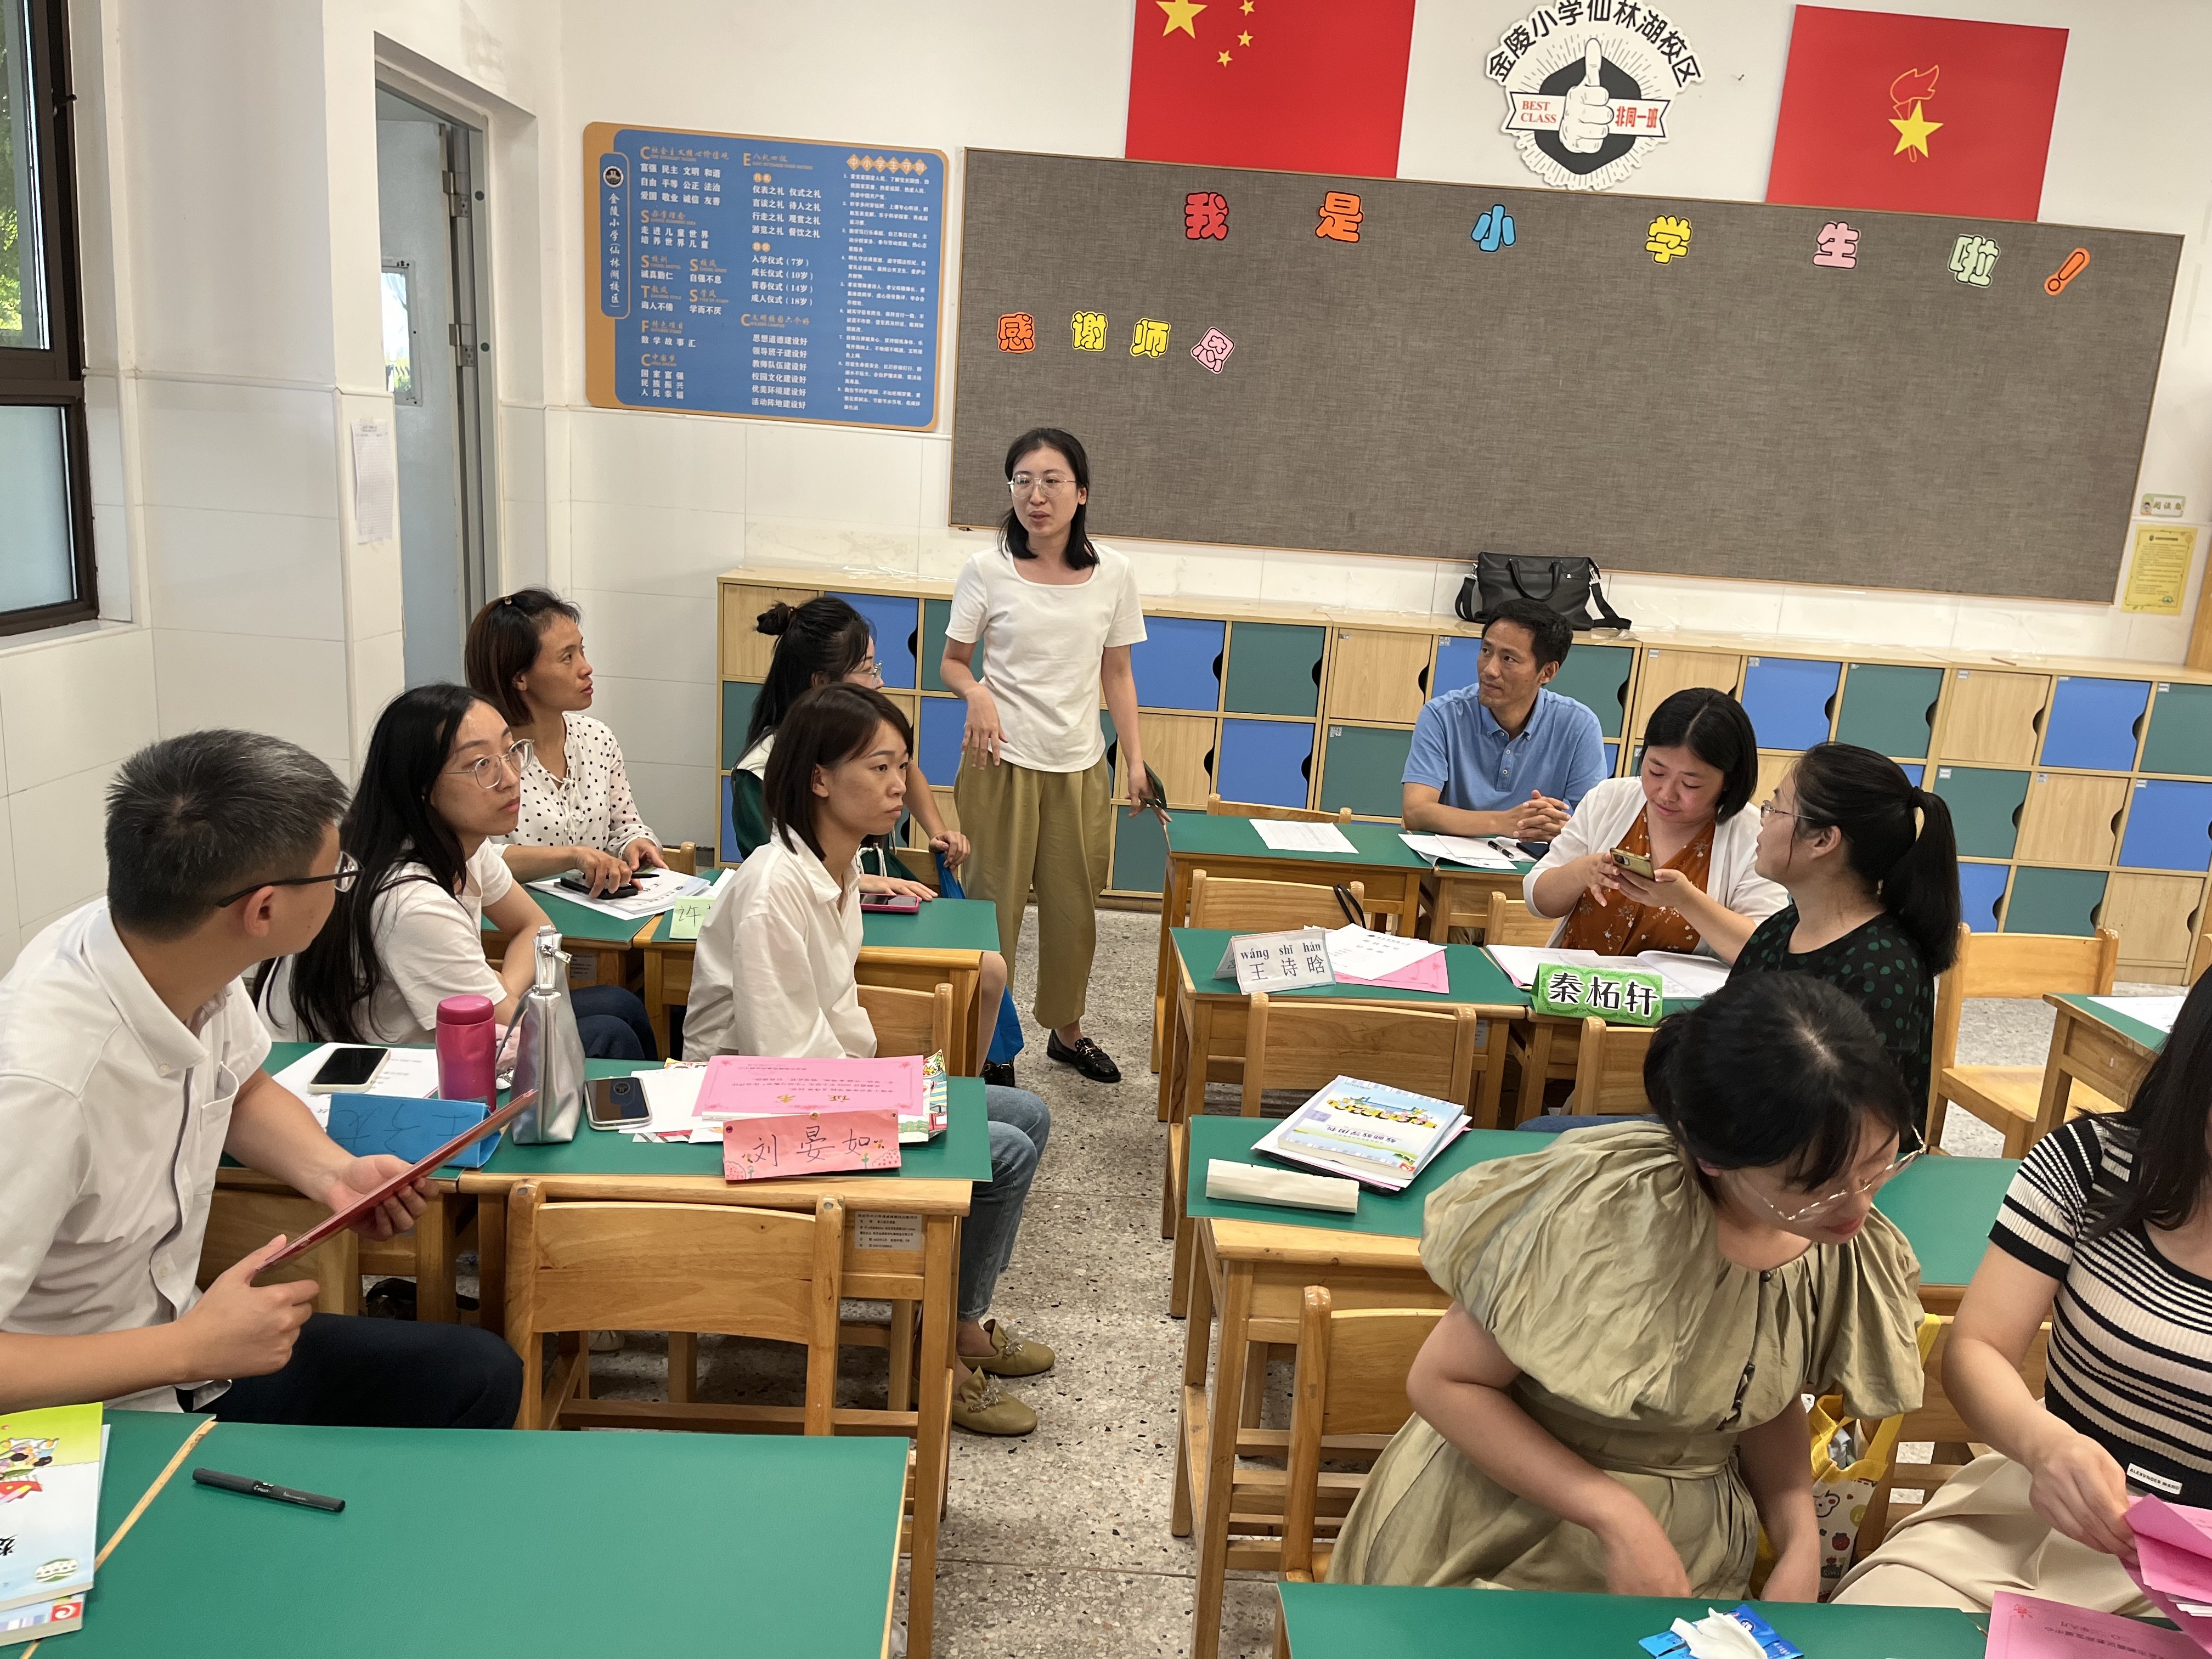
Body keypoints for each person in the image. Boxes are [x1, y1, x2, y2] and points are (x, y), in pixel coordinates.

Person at [1329, 974, 1926, 1598]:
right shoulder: (1606, 1212)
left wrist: (1799, 1538)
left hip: (1693, 1548)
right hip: (1511, 1526)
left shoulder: (1827, 1236)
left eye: (1878, 1165)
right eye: (1815, 1186)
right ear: (1712, 1156)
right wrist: (1614, 1514)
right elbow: (1444, 1383)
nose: (1856, 1206)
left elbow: (1762, 1392)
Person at [0, 730, 521, 1425]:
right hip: (72, 1418)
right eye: (336, 874)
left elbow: (242, 1087)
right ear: (265, 910)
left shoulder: (176, 948)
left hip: (187, 1356)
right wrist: (186, 1350)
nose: (345, 886)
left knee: (477, 1373)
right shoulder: (42, 1087)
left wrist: (334, 1174)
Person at [687, 684, 1055, 1437]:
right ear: (820, 778)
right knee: (1003, 1147)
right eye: (879, 767)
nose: (899, 785)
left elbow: (833, 1030)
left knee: (1026, 1113)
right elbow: (785, 1065)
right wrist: (897, 1098)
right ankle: (939, 1352)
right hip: (755, 1115)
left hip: (821, 1089)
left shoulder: (840, 866)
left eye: (902, 765)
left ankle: (958, 1322)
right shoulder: (773, 889)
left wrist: (900, 1087)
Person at [1836, 970, 2212, 1616]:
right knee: (1875, 1622)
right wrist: (2046, 1446)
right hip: (2038, 1514)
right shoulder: (2091, 1164)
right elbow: (1977, 1347)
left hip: (2198, 1575)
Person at [259, 684, 656, 1060]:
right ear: (422, 787)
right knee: (609, 1034)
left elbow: (536, 928)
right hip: (364, 1074)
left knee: (620, 1003)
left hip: (435, 1038)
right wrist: (504, 999)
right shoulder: (413, 904)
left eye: (510, 752)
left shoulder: (461, 842)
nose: (511, 778)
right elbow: (508, 1031)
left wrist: (503, 987)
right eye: (482, 765)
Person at [941, 426, 1163, 1085]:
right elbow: (953, 663)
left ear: (1081, 492)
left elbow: (1117, 674)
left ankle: (1067, 1033)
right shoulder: (986, 570)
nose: (1036, 496)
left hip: (1078, 766)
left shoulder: (1114, 573)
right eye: (1023, 481)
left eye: (1051, 481)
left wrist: (1134, 762)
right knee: (993, 910)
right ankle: (992, 1044)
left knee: (1075, 913)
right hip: (999, 766)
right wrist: (977, 693)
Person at [728, 595, 1018, 1077]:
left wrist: (937, 832)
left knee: (988, 967)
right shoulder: (767, 797)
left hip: (863, 902)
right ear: (823, 684)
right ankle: (964, 1078)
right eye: (867, 669)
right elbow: (788, 1059)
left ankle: (968, 1078)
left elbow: (843, 1027)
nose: (880, 680)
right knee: (982, 971)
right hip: (802, 1077)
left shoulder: (845, 857)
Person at [1725, 743, 1960, 1116]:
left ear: (1823, 840)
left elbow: (1852, 1121)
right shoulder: (1780, 928)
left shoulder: (1884, 968)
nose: (1763, 820)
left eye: (1775, 808)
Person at [1526, 687, 1786, 958]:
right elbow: (1537, 900)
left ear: (1728, 781)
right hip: (1575, 980)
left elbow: (1763, 951)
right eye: (1656, 772)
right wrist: (1582, 872)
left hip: (1677, 988)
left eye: (1690, 784)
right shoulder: (1609, 799)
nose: (1666, 795)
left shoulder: (1754, 835)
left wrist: (1686, 900)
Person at [464, 588, 665, 897]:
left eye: (582, 651)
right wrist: (574, 856)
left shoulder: (597, 738)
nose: (586, 668)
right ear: (519, 678)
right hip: (512, 917)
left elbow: (626, 826)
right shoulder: (480, 760)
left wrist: (637, 843)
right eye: (567, 658)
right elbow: (476, 858)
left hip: (598, 914)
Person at [1401, 599, 1608, 844]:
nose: (1490, 670)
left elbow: (1593, 825)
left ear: (1547, 672)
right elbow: (1416, 812)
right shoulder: (1442, 716)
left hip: (1538, 864)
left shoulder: (1579, 726)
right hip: (1451, 861)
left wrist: (1558, 826)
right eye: (1486, 651)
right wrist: (1505, 823)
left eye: (1508, 659)